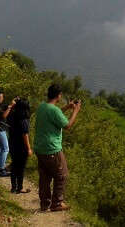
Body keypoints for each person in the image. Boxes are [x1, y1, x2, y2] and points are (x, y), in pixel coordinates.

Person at [33, 83, 81, 212]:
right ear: (59, 96)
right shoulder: (53, 110)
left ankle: (45, 203)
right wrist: (75, 111)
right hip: (51, 149)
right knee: (62, 175)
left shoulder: (43, 106)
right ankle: (57, 203)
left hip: (40, 148)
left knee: (45, 177)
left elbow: (54, 115)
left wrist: (67, 107)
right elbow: (67, 125)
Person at [7, 98, 32, 193]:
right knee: (21, 167)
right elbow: (25, 134)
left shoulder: (12, 116)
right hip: (21, 146)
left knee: (14, 165)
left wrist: (12, 105)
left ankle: (13, 187)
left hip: (12, 143)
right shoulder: (24, 119)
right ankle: (20, 187)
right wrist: (29, 148)